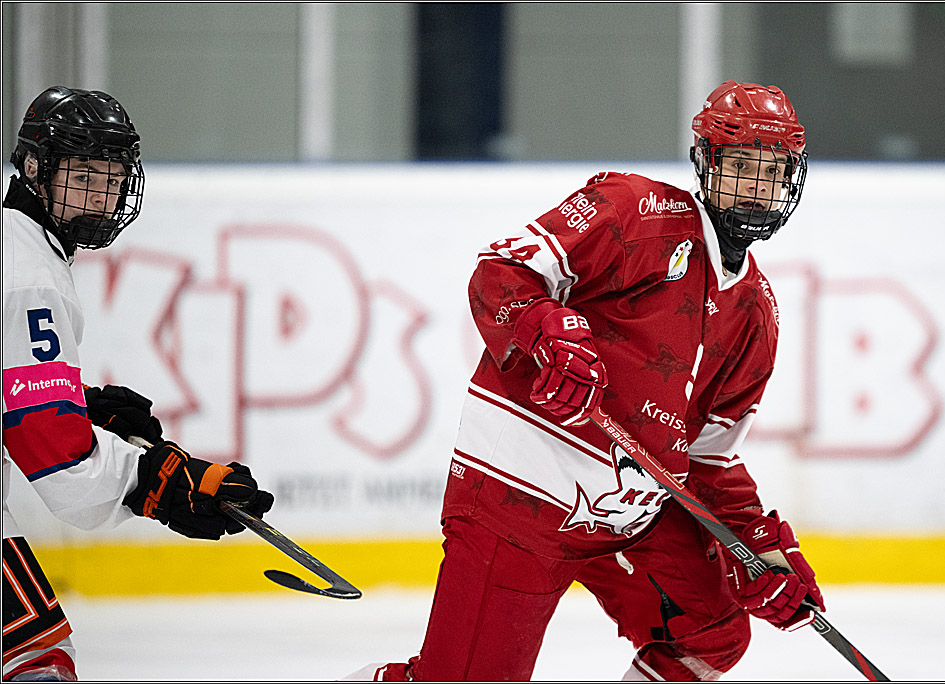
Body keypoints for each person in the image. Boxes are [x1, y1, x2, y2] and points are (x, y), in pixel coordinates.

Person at [350, 80, 824, 681]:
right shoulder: (635, 211)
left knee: (713, 635)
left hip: (632, 517)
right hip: (517, 498)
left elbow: (709, 461)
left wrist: (764, 550)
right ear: (705, 164)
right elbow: (499, 276)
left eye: (772, 170)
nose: (757, 189)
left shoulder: (756, 313)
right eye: (740, 167)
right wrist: (548, 325)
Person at [2, 86, 274, 682]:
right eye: (82, 176)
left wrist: (76, 405)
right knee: (33, 662)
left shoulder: (20, 246)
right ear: (32, 169)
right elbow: (60, 465)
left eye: (111, 176)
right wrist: (159, 483)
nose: (100, 195)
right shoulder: (28, 274)